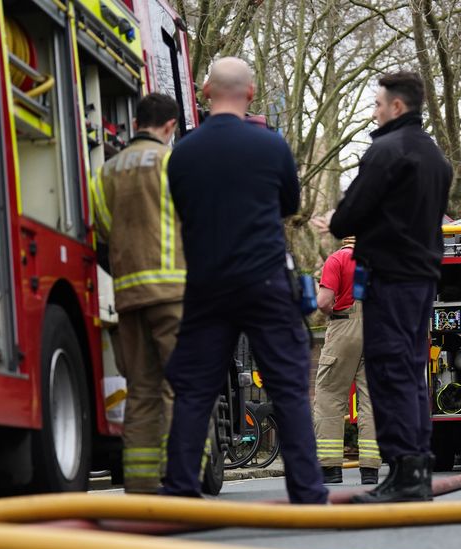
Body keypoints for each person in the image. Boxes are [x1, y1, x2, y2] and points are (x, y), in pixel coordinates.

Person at [161, 57, 327, 504]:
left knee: (195, 388)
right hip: (266, 282)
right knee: (288, 385)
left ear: (204, 91)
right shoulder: (270, 147)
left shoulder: (183, 152)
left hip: (207, 283)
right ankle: (308, 493)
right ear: (251, 93)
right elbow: (289, 205)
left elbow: (180, 209)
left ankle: (179, 491)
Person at [329, 71, 453, 503]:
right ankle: (414, 468)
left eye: (378, 104)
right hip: (422, 279)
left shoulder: (384, 151)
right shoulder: (436, 158)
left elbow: (348, 217)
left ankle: (402, 470)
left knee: (387, 371)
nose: (375, 112)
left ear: (397, 107)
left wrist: (336, 220)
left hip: (389, 278)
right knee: (411, 370)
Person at [92, 93, 184, 494]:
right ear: (170, 127)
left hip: (127, 296)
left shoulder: (106, 173)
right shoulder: (173, 163)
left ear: (136, 122)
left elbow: (102, 236)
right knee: (184, 385)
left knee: (142, 390)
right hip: (173, 291)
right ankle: (184, 475)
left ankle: (142, 484)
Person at [313, 237, 380, 485]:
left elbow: (323, 302)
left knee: (330, 395)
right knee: (371, 401)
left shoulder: (338, 259)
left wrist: (332, 310)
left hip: (343, 327)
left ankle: (330, 469)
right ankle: (371, 470)